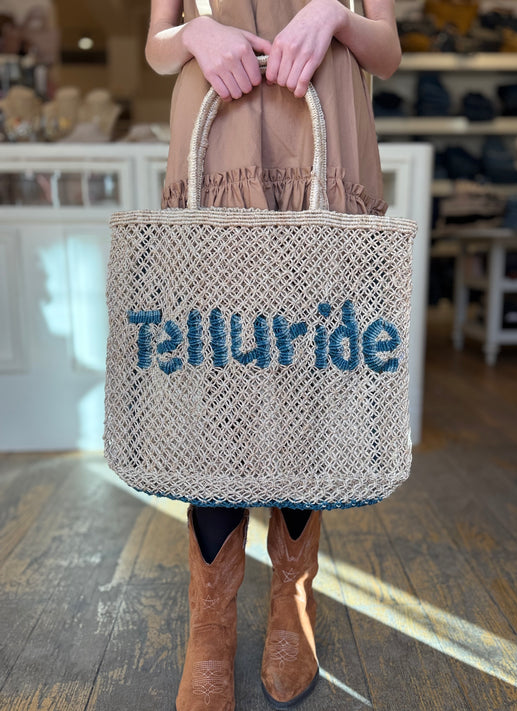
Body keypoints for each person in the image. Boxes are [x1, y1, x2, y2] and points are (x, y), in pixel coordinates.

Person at [144, 1, 401, 708]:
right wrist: (196, 32)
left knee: (311, 368)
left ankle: (292, 599)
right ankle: (211, 626)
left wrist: (334, 16)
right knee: (217, 374)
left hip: (324, 132)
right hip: (218, 134)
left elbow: (385, 52)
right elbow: (158, 47)